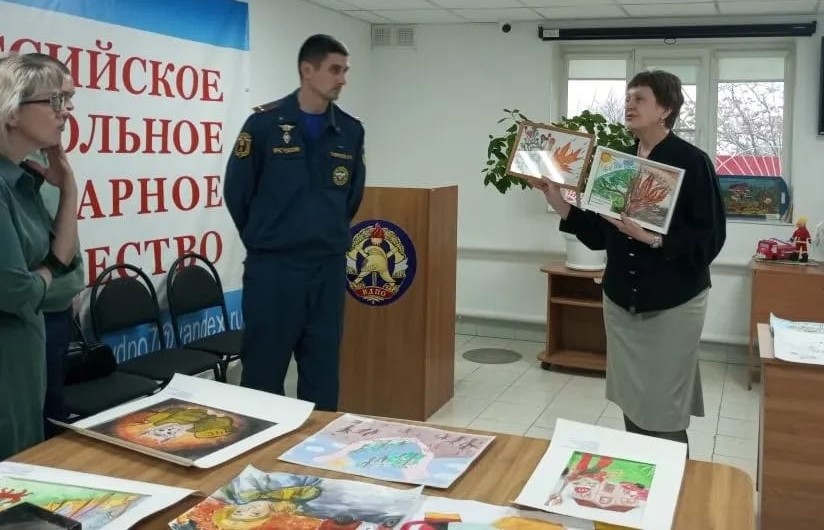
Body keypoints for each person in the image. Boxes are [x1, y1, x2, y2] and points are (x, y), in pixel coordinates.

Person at [534, 70, 726, 457]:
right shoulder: (617, 162)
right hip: (621, 300)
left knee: (664, 405)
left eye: (639, 98)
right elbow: (597, 233)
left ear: (665, 109)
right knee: (632, 398)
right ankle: (641, 474)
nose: (629, 105)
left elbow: (710, 238)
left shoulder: (692, 162)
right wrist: (555, 197)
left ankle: (673, 481)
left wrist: (651, 237)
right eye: (627, 98)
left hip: (674, 303)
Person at [223, 34, 366, 411]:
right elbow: (237, 191)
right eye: (335, 70)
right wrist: (268, 238)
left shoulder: (350, 131)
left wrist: (323, 232)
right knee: (263, 372)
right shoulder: (263, 125)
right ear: (307, 70)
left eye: (345, 70)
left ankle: (316, 445)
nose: (343, 79)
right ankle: (263, 443)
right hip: (274, 270)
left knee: (322, 371)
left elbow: (351, 196)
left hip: (327, 269)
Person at [0, 53, 80, 459]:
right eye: (53, 101)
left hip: (26, 350)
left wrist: (69, 189)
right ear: (12, 111)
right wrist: (45, 276)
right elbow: (16, 290)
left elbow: (66, 263)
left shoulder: (24, 180)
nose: (65, 111)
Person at [23, 53, 86, 439]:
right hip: (27, 311)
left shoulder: (47, 158)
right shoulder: (15, 170)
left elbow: (63, 231)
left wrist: (72, 282)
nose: (67, 109)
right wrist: (53, 275)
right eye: (58, 98)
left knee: (51, 414)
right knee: (28, 427)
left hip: (55, 306)